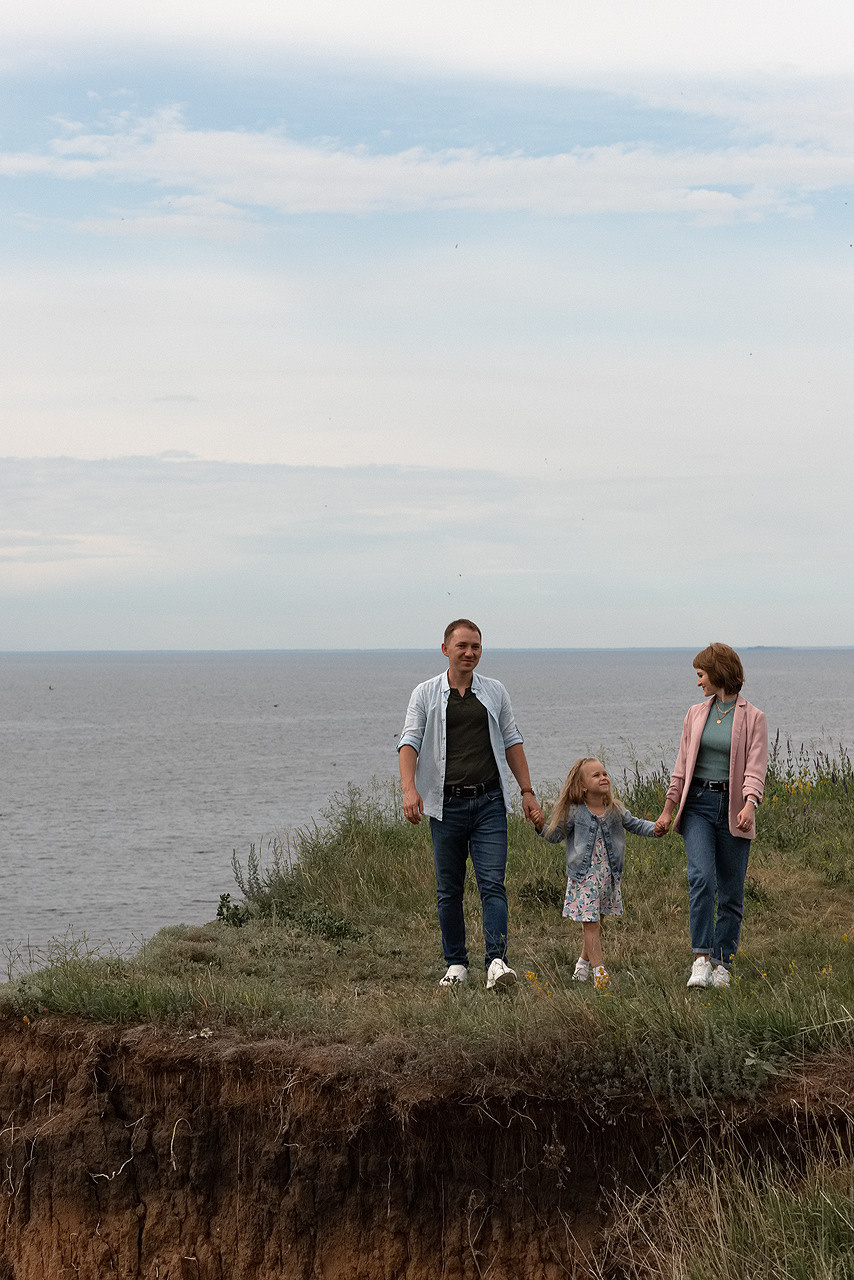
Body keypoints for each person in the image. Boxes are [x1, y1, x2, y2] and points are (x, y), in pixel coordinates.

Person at [398, 619, 543, 989]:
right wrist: (409, 789)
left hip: (489, 802)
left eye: (476, 646)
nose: (469, 653)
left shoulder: (494, 691)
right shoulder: (425, 693)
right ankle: (456, 964)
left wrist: (526, 791)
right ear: (445, 649)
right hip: (444, 806)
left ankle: (497, 962)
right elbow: (409, 741)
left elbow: (512, 740)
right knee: (449, 889)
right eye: (462, 646)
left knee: (493, 883)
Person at [654, 643, 768, 990]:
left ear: (717, 673)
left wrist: (749, 804)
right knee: (702, 877)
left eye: (701, 675)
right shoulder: (695, 713)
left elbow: (755, 768)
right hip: (698, 806)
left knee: (732, 892)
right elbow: (681, 766)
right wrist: (668, 809)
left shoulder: (754, 718)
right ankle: (701, 959)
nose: (698, 682)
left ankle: (723, 963)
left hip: (734, 809)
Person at [535, 757, 658, 991]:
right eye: (596, 775)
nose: (604, 777)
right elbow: (555, 836)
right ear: (582, 786)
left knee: (596, 923)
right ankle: (599, 973)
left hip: (608, 876)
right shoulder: (574, 812)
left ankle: (582, 965)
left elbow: (636, 824)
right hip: (584, 878)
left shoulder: (615, 810)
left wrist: (656, 828)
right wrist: (539, 825)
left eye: (604, 773)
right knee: (590, 925)